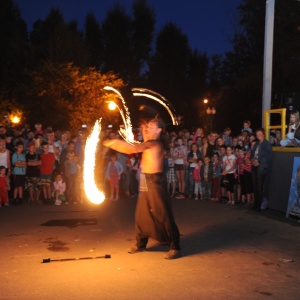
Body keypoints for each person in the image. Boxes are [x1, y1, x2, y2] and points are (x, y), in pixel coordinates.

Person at [103, 118, 181, 260]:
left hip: (155, 181)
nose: (148, 128)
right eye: (148, 126)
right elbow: (143, 138)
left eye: (151, 127)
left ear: (159, 130)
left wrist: (112, 142)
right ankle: (141, 244)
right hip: (145, 179)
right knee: (142, 212)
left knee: (162, 213)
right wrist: (143, 127)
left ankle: (175, 246)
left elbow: (132, 148)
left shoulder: (155, 143)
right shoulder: (150, 141)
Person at [251, 128, 272, 211]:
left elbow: (267, 157)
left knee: (260, 187)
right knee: (254, 186)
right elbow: (252, 154)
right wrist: (253, 161)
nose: (259, 135)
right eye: (257, 134)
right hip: (254, 167)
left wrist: (258, 162)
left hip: (262, 168)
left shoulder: (267, 144)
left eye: (260, 134)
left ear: (264, 134)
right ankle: (255, 204)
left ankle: (260, 204)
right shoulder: (256, 144)